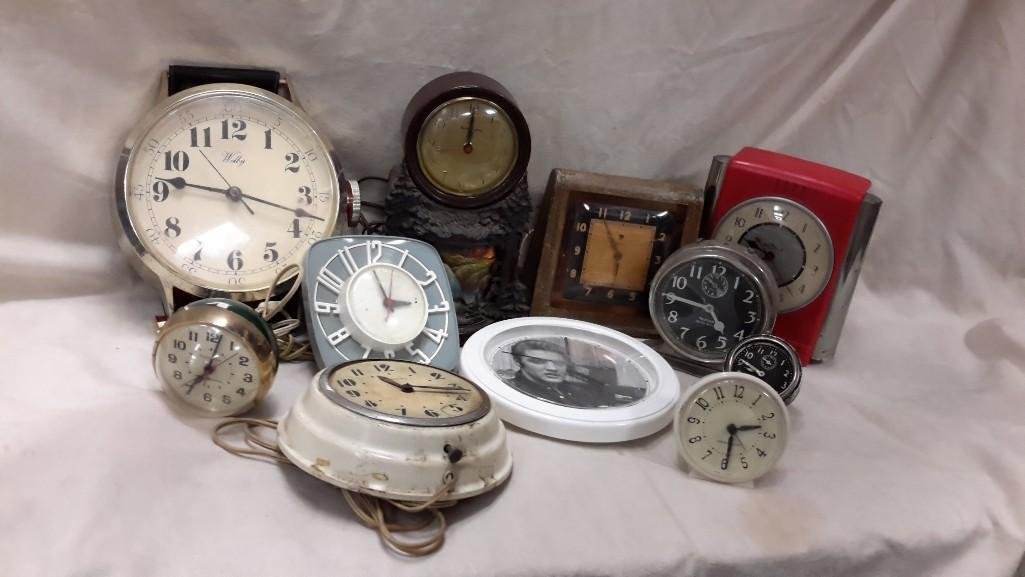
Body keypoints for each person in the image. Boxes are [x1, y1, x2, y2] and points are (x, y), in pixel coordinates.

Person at [500, 339, 646, 408]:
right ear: (518, 362)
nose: (552, 368)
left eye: (558, 363)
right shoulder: (511, 392)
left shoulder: (581, 389)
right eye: (538, 361)